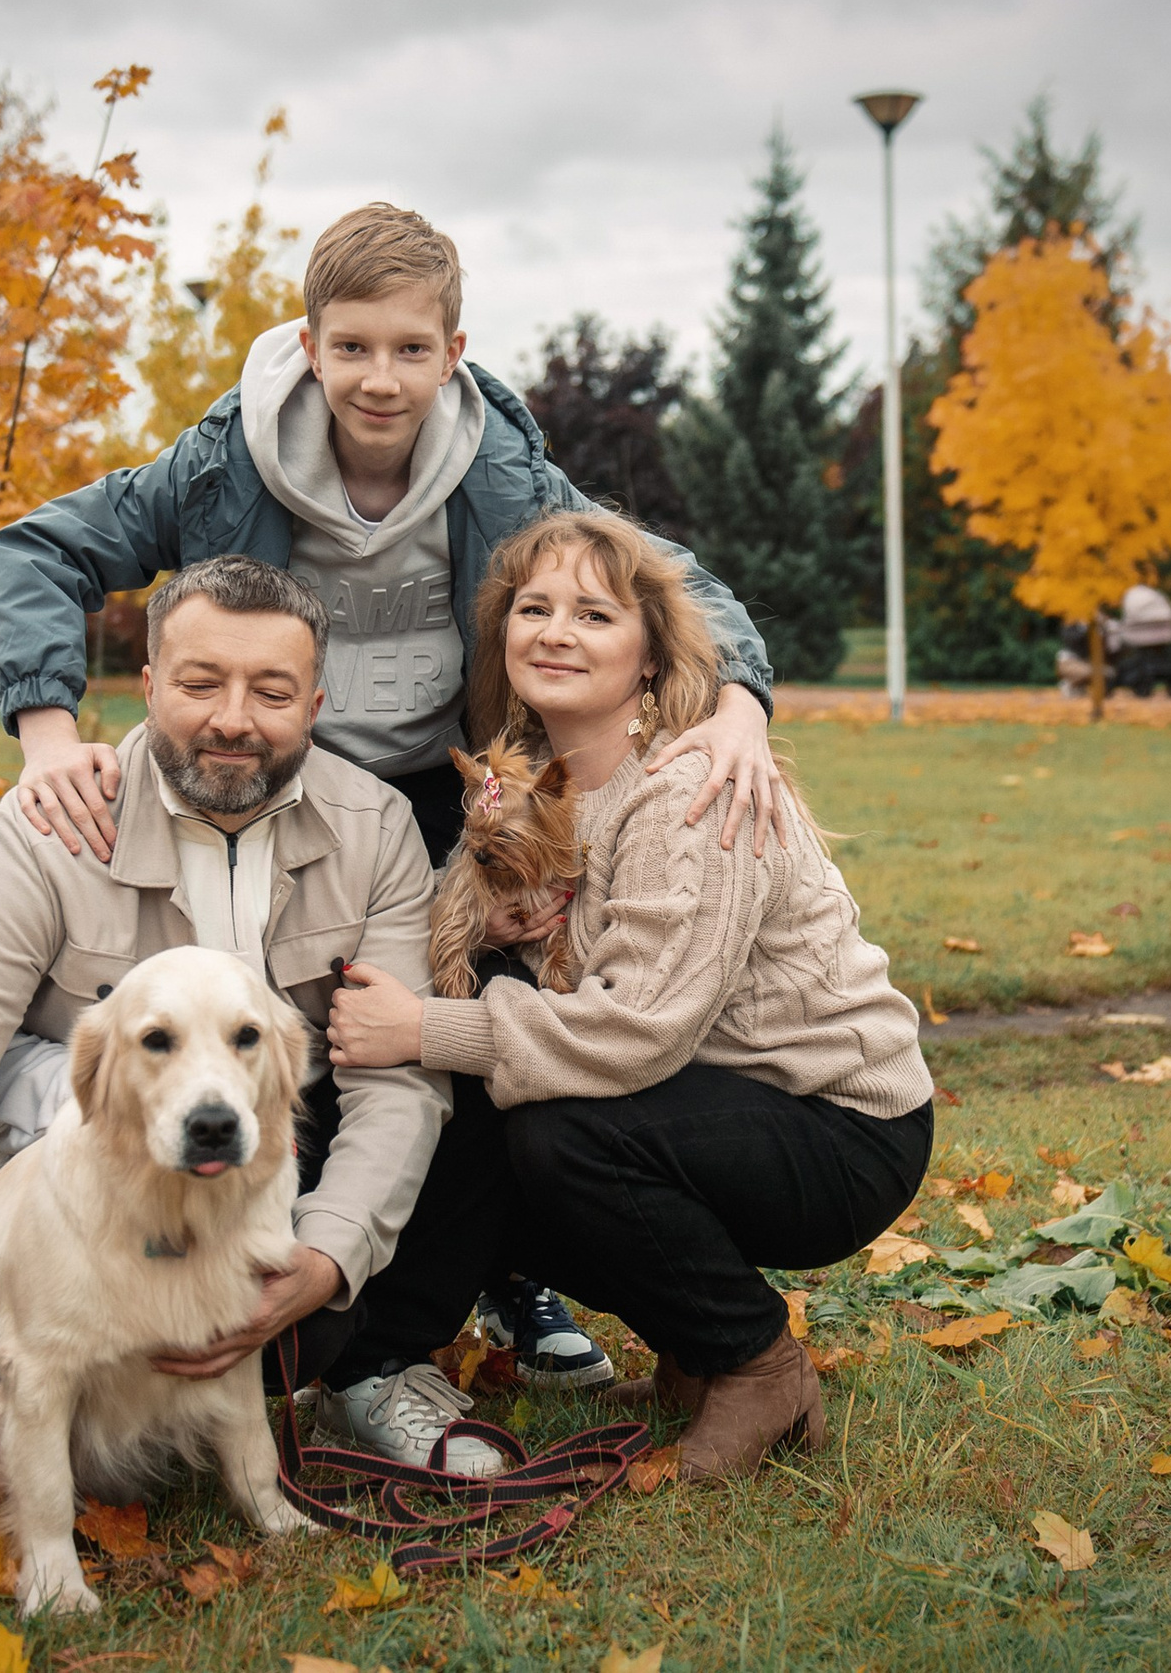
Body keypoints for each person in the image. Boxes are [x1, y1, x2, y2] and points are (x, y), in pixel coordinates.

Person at [0, 202, 789, 1382]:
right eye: (352, 346)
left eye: (411, 349)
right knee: (285, 1022)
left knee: (474, 1025)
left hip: (441, 789)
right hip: (276, 780)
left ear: (452, 354)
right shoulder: (222, 464)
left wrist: (741, 704)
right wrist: (47, 733)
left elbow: (667, 582)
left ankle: (504, 1274)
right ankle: (262, 1255)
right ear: (309, 346)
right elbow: (39, 548)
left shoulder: (503, 475)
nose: (379, 377)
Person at [0, 556, 517, 1482]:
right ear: (149, 685)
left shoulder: (376, 827)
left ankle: (368, 1363)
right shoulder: (48, 830)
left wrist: (327, 1258)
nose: (233, 719)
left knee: (459, 1070)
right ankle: (99, 1390)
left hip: (273, 1189)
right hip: (85, 1214)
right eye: (201, 683)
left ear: (315, 704)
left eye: (271, 692)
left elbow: (395, 1077)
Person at [324, 508, 934, 1481]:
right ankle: (686, 1351)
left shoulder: (688, 785)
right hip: (706, 1097)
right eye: (533, 609)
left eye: (594, 615)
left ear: (650, 655)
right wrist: (489, 934)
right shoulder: (531, 783)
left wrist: (422, 1028)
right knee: (508, 1127)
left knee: (559, 1134)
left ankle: (754, 1361)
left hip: (835, 1120)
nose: (555, 632)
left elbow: (635, 1032)